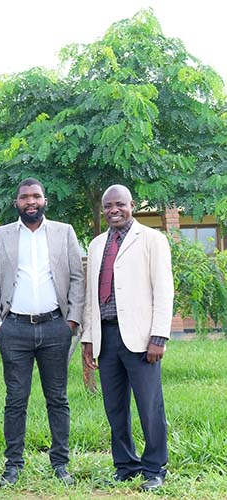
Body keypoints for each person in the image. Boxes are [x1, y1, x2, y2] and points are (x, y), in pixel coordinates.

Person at [0, 178, 84, 487]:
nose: (31, 201)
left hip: (56, 327)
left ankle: (61, 465)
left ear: (45, 200)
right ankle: (13, 466)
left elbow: (78, 277)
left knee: (58, 398)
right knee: (16, 399)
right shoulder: (1, 235)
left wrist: (72, 322)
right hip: (14, 329)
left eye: (36, 196)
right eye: (25, 197)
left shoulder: (64, 232)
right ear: (16, 202)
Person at [82, 184, 173, 492]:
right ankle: (125, 465)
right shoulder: (96, 245)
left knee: (149, 406)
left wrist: (158, 336)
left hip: (141, 338)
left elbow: (164, 289)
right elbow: (89, 296)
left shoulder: (152, 240)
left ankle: (154, 467)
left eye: (119, 204)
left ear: (132, 205)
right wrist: (88, 339)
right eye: (108, 206)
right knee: (115, 407)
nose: (113, 210)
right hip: (106, 339)